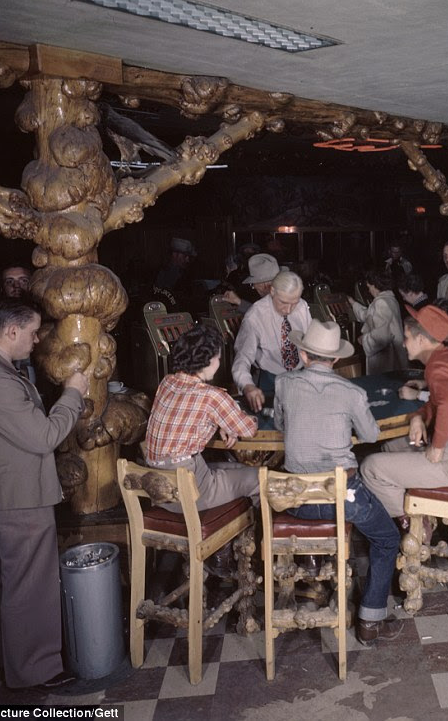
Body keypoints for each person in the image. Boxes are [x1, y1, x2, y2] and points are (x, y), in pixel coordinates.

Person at [0, 298, 88, 690]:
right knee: (30, 584)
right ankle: (36, 670)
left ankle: (6, 657)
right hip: (18, 496)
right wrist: (73, 393)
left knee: (6, 579)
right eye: (32, 332)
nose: (36, 338)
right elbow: (44, 437)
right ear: (11, 331)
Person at [273, 320, 403, 645]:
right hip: (342, 497)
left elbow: (280, 423)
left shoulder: (283, 384)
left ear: (304, 354)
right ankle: (370, 622)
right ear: (336, 360)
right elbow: (372, 435)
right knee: (387, 539)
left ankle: (313, 569)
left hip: (295, 500)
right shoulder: (352, 392)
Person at [362, 306, 448, 518]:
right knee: (391, 446)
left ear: (422, 341)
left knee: (370, 467)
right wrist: (418, 417)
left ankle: (410, 527)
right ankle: (418, 513)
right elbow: (442, 401)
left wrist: (437, 448)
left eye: (407, 337)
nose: (403, 343)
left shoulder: (437, 366)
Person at [145, 324, 260, 510]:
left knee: (236, 468)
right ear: (207, 360)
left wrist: (221, 423)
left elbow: (187, 420)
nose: (219, 363)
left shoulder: (167, 382)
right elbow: (248, 429)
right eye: (218, 358)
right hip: (191, 494)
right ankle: (254, 535)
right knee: (258, 477)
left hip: (159, 491)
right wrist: (244, 418)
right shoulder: (212, 396)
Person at [231, 270, 312, 412]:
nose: (288, 309)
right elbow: (242, 357)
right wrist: (248, 386)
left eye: (294, 303)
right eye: (284, 302)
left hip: (300, 376)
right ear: (272, 291)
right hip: (271, 381)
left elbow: (311, 343)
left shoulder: (302, 306)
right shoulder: (255, 316)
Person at [349, 270, 408, 374]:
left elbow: (382, 335)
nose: (369, 291)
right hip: (393, 357)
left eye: (369, 287)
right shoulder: (390, 299)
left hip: (386, 360)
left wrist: (364, 339)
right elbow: (367, 315)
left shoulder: (381, 302)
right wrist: (353, 303)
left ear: (376, 285)